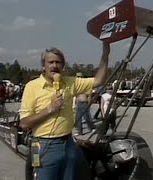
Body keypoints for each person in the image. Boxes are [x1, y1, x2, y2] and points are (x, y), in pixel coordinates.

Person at [19, 42, 110, 180]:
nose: (54, 65)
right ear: (44, 66)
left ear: (63, 66)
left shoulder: (70, 82)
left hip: (68, 144)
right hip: (44, 145)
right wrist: (50, 109)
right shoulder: (32, 87)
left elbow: (99, 80)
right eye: (51, 62)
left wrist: (105, 54)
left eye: (58, 62)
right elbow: (24, 123)